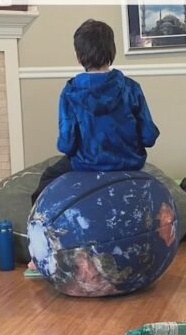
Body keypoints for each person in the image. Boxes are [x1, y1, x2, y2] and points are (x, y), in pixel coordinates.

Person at [30, 18, 160, 207]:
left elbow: (66, 144)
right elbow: (149, 137)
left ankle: (40, 228)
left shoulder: (70, 92)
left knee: (48, 179)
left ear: (78, 56)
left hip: (86, 166)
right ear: (112, 51)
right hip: (129, 164)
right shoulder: (131, 88)